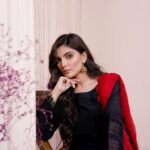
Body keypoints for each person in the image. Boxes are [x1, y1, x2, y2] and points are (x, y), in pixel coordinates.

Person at [36, 33, 139, 150]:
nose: (63, 64)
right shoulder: (64, 94)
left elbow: (114, 133)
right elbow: (40, 132)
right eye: (59, 60)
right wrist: (55, 92)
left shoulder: (108, 84)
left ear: (83, 57)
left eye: (69, 56)